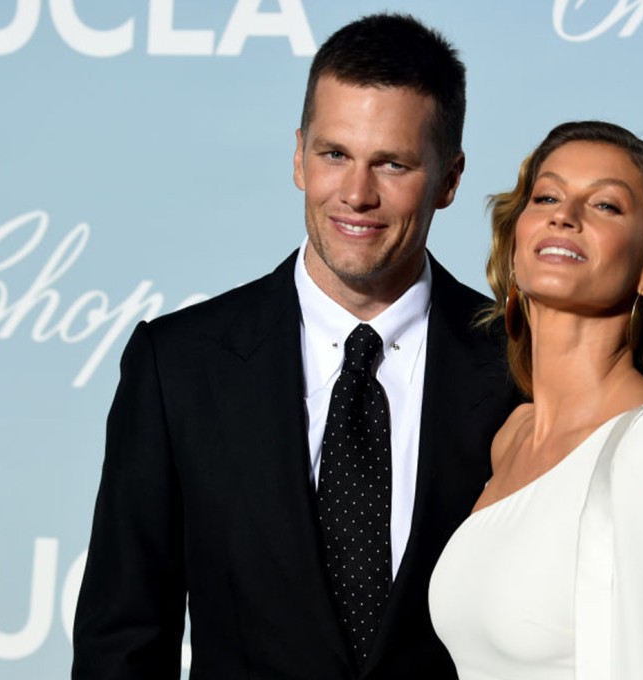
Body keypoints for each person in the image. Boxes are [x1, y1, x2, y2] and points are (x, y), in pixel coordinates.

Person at [72, 13, 518, 680]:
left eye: (391, 164)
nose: (356, 194)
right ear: (298, 156)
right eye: (333, 154)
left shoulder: (522, 365)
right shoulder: (180, 367)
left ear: (449, 179)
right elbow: (122, 644)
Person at [428, 121, 643, 678]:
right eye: (548, 196)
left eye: (605, 205)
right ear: (515, 244)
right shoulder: (511, 436)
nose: (565, 214)